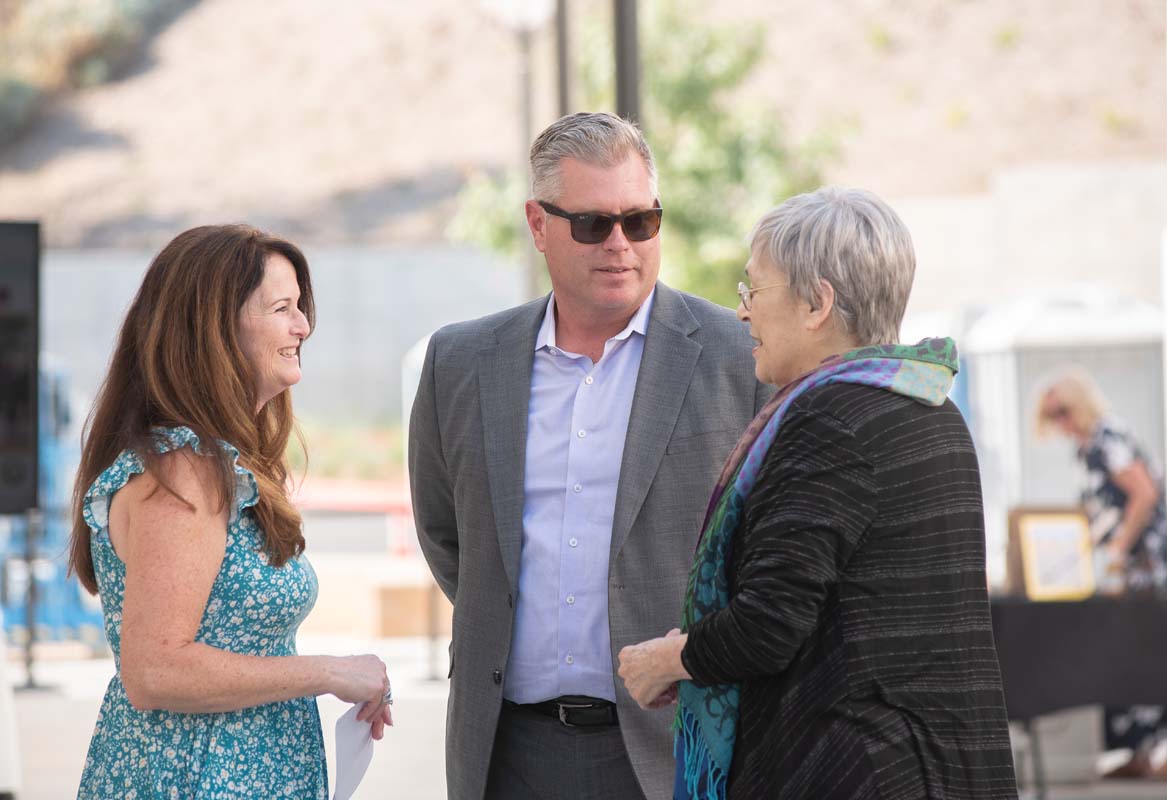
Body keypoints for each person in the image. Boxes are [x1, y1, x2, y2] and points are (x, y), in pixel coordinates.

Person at [408, 111, 768, 800]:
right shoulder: (459, 362)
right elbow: (447, 536)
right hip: (508, 752)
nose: (621, 244)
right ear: (539, 224)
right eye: (593, 223)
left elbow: (767, 556)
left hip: (676, 751)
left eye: (641, 221)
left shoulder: (739, 357)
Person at [618, 188, 1019, 799]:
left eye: (753, 289)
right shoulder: (928, 406)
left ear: (817, 303)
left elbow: (769, 623)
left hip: (857, 770)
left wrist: (670, 661)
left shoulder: (829, 418)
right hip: (939, 767)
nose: (743, 313)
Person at [68, 225, 393, 799]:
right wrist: (331, 671)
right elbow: (156, 672)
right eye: (282, 308)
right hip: (196, 781)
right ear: (215, 328)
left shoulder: (215, 462)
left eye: (301, 307)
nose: (303, 327)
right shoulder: (183, 469)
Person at [1036, 370, 1167, 780]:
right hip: (1127, 561)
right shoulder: (1087, 448)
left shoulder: (1109, 436)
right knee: (1128, 649)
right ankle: (1140, 750)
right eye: (1053, 416)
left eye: (1063, 412)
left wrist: (1119, 550)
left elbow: (1144, 494)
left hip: (1152, 559)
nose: (1061, 423)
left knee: (1164, 643)